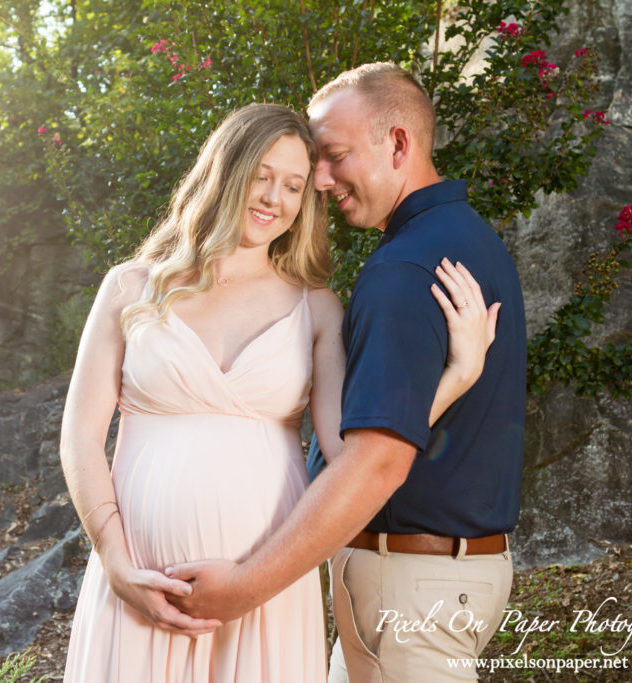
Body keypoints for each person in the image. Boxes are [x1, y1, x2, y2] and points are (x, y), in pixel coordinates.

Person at [60, 102, 498, 682]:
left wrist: (456, 378)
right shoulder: (130, 287)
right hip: (140, 579)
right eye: (262, 176)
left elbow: (352, 455)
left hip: (264, 593)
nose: (274, 198)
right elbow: (80, 439)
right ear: (225, 170)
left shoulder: (315, 307)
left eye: (294, 186)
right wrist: (115, 561)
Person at [166, 63, 527, 683]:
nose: (320, 182)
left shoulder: (404, 270)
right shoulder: (471, 240)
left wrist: (244, 588)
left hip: (410, 590)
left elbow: (376, 458)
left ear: (397, 144)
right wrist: (458, 379)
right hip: (436, 583)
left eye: (332, 156)